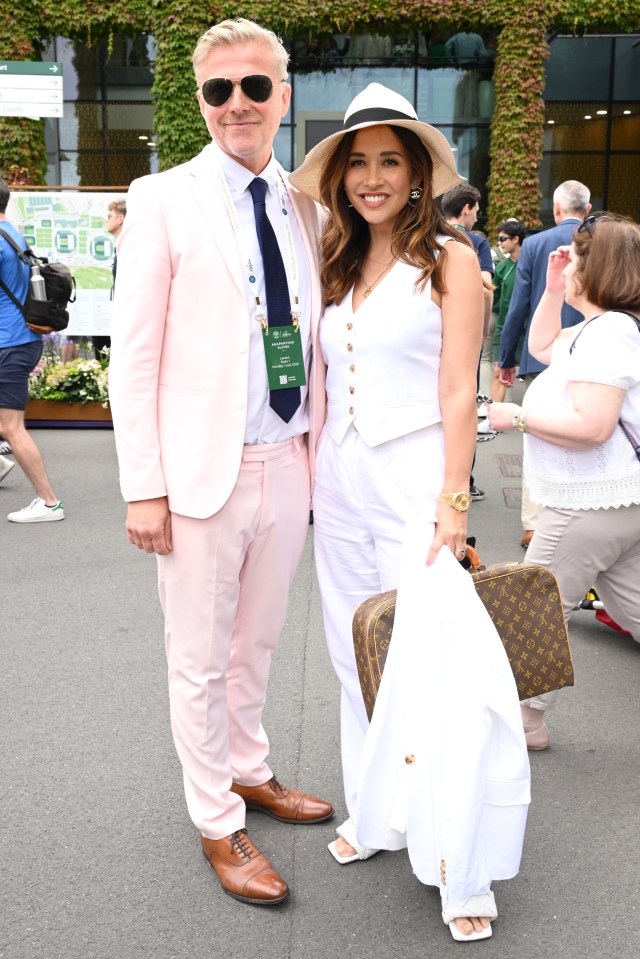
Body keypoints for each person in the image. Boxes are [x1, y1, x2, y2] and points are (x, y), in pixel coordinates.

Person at [290, 82, 530, 942]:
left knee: (441, 666)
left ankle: (460, 864)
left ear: (421, 171)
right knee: (356, 649)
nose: (373, 177)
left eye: (390, 160)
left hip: (417, 473)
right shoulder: (338, 256)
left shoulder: (452, 259)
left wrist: (453, 502)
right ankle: (378, 809)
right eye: (358, 163)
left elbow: (458, 391)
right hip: (341, 479)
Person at [108, 18, 333, 908]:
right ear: (202, 101)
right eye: (218, 90)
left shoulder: (305, 202)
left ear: (282, 95)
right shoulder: (161, 197)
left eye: (254, 87)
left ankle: (249, 767)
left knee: (259, 641)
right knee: (198, 656)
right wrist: (144, 486)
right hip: (200, 477)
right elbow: (135, 355)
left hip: (287, 460)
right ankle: (214, 817)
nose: (236, 104)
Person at [488, 214, 640, 749]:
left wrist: (518, 418)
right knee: (629, 604)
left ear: (596, 268)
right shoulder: (602, 329)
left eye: (574, 259)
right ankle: (526, 720)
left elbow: (594, 426)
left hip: (589, 504)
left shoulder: (610, 333)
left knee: (534, 612)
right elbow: (547, 344)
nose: (566, 263)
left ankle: (525, 721)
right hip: (610, 502)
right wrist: (552, 291)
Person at [498, 180, 591, 548]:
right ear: (585, 210)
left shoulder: (534, 245)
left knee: (538, 435)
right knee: (583, 435)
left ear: (555, 209)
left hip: (542, 353)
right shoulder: (599, 243)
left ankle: (536, 523)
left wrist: (507, 358)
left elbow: (518, 304)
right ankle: (578, 515)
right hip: (589, 350)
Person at [0, 176, 64, 523]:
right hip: (18, 339)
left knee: (11, 426)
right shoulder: (13, 233)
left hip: (9, 343)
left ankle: (49, 502)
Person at [441, 183, 494, 501]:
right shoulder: (474, 242)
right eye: (476, 209)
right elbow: (486, 287)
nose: (477, 215)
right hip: (463, 337)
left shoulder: (422, 236)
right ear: (465, 208)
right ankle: (463, 479)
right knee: (463, 401)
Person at [490, 219, 527, 402]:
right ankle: (492, 418)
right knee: (498, 371)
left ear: (516, 239)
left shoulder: (531, 265)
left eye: (502, 239)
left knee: (532, 376)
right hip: (504, 328)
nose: (499, 243)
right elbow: (491, 296)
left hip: (528, 328)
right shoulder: (502, 268)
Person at [93, 198, 127, 356]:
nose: (107, 221)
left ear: (120, 219)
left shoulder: (128, 246)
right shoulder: (122, 244)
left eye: (109, 216)